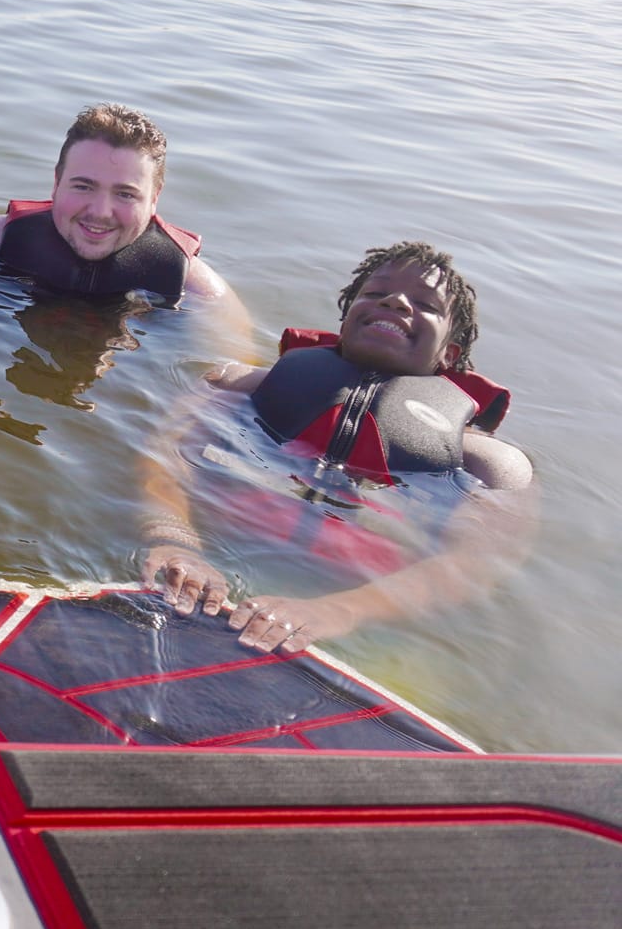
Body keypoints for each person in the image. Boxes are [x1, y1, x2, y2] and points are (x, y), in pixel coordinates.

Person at [140, 242, 535, 653]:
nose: (396, 301)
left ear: (449, 354)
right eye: (376, 293)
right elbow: (165, 458)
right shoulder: (236, 385)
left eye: (425, 304)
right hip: (213, 562)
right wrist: (174, 542)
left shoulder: (488, 462)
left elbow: (475, 562)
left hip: (367, 621)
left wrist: (339, 612)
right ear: (346, 320)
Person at [0, 103, 242, 311]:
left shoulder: (188, 281)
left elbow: (231, 366)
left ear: (155, 198)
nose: (99, 212)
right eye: (83, 187)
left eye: (125, 194)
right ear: (57, 182)